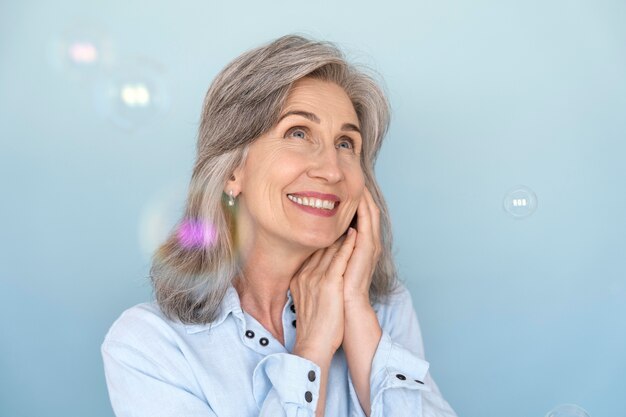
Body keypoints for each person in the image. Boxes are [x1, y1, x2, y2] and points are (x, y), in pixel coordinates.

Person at [101, 34, 457, 417]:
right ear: (232, 170)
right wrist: (313, 348)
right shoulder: (147, 345)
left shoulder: (385, 308)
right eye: (298, 133)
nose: (332, 170)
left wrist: (356, 312)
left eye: (345, 143)